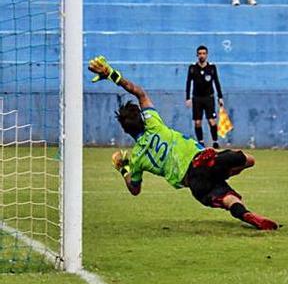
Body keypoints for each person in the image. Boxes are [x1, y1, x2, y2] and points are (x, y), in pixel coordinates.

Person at [87, 55, 278, 231]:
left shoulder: (138, 157)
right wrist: (112, 74)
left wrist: (124, 169)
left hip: (193, 181)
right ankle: (220, 167)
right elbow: (140, 93)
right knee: (248, 160)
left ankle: (246, 214)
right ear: (142, 117)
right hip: (201, 159)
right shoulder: (153, 122)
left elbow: (134, 189)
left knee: (228, 199)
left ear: (126, 130)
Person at [185, 46, 224, 149]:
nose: (202, 55)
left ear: (206, 55)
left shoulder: (211, 68)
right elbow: (188, 82)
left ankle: (215, 141)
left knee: (212, 120)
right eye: (200, 53)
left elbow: (216, 82)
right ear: (197, 55)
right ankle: (201, 142)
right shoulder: (193, 68)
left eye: (203, 53)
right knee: (198, 122)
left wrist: (220, 97)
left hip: (209, 98)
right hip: (197, 98)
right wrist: (188, 98)